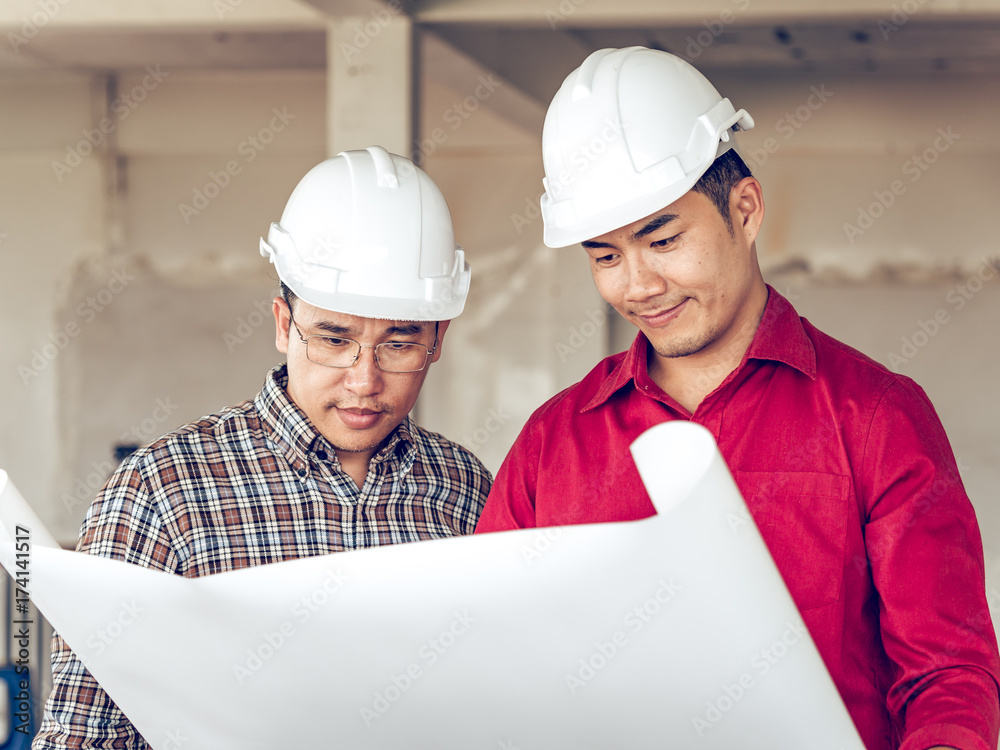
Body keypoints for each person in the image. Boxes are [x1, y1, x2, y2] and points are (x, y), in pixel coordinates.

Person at [476, 47, 1000, 750]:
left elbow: (948, 677)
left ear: (745, 210)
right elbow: (489, 666)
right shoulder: (552, 444)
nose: (637, 285)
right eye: (605, 256)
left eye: (662, 239)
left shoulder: (876, 418)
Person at [34, 146, 492, 748]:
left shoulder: (465, 490)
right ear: (283, 323)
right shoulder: (161, 492)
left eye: (399, 344)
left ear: (437, 340)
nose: (364, 379)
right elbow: (82, 736)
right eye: (334, 338)